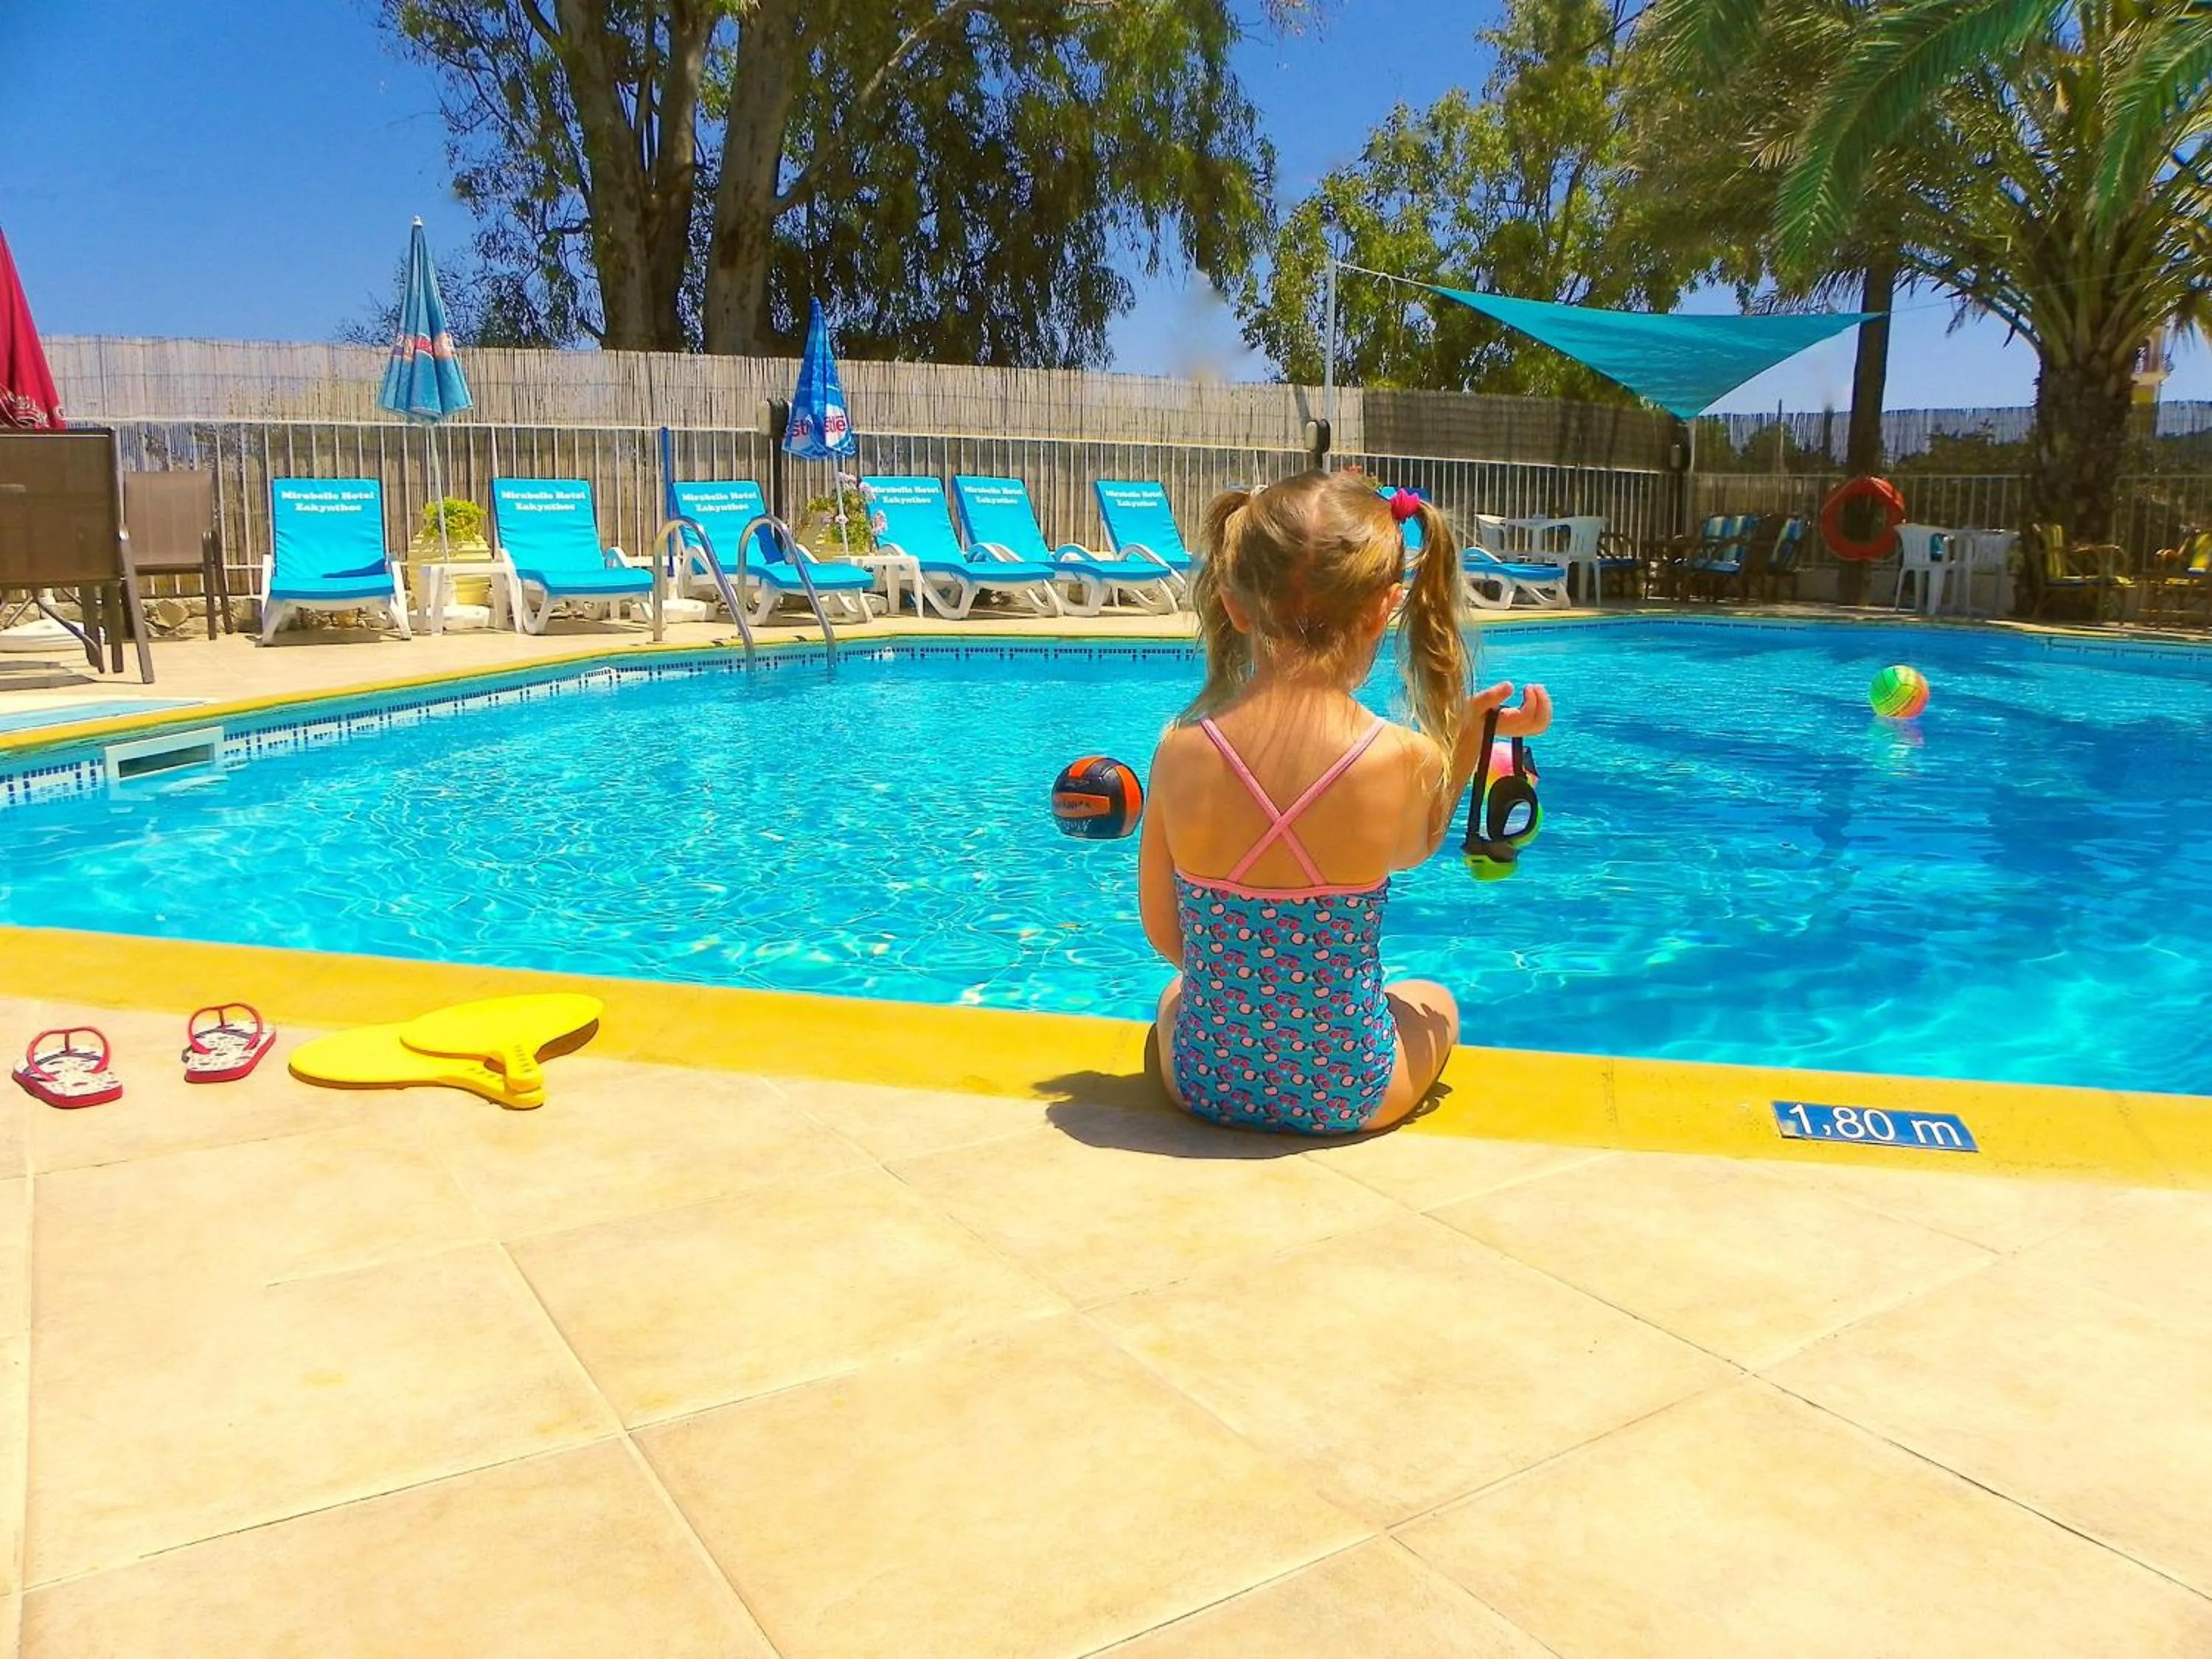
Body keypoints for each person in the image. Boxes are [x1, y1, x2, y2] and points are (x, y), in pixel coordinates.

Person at [1138, 471, 1551, 1134]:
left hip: (1204, 1080)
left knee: (1173, 995)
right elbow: (1419, 845)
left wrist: (1252, 985)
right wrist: (1471, 741)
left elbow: (1166, 934)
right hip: (1348, 1092)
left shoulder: (1180, 751)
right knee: (1433, 1000)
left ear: (1235, 604)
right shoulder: (1400, 756)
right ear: (1384, 607)